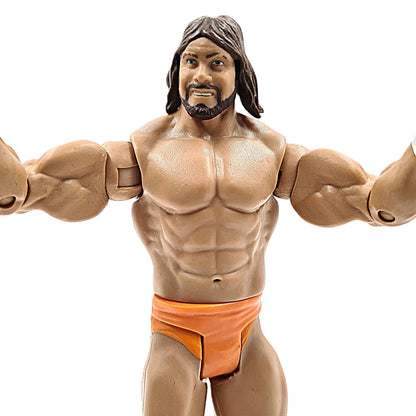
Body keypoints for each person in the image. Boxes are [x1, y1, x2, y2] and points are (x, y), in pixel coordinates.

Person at [1, 15, 416, 416]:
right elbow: (22, 191)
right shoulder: (143, 152)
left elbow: (380, 205)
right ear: (176, 70)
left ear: (239, 73)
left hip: (247, 333)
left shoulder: (272, 153)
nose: (201, 75)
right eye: (191, 61)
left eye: (216, 63)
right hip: (176, 335)